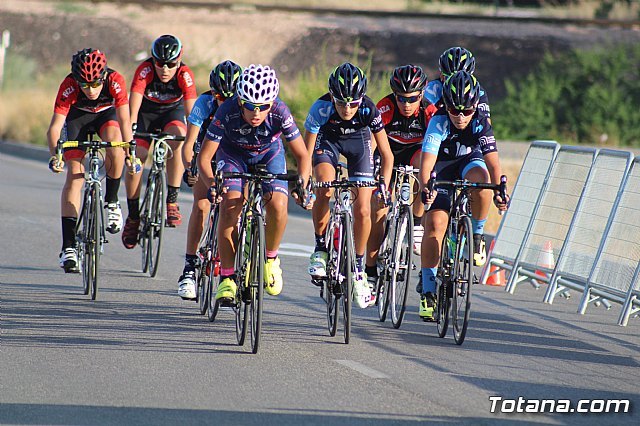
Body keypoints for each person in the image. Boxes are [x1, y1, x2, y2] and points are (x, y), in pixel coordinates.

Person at [197, 64, 311, 301]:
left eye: (263, 107)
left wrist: (302, 185)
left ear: (272, 103)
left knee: (279, 204)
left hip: (269, 153)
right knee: (231, 205)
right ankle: (227, 278)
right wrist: (212, 184)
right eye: (250, 106)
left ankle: (270, 259)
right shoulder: (226, 111)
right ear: (240, 102)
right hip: (232, 154)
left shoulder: (281, 111)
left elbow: (302, 156)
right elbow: (205, 157)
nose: (256, 113)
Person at [419, 71, 508, 320]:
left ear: (474, 107)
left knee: (483, 181)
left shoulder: (480, 122)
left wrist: (501, 189)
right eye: (454, 110)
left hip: (469, 161)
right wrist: (427, 187)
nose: (460, 117)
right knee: (436, 224)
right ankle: (428, 290)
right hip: (442, 165)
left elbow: (494, 165)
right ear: (445, 106)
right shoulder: (438, 122)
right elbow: (426, 166)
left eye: (466, 111)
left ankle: (477, 235)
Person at [305, 62, 393, 309]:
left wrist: (383, 185)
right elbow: (306, 151)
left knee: (363, 209)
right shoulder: (321, 108)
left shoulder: (369, 110)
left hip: (359, 145)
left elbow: (387, 154)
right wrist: (306, 181)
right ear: (332, 97)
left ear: (361, 99)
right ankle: (321, 248)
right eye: (341, 102)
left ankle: (359, 267)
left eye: (353, 103)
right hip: (329, 141)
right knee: (325, 188)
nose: (347, 108)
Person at [47, 48, 135, 272]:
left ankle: (112, 202)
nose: (91, 90)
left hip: (106, 116)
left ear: (103, 76)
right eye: (84, 85)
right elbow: (55, 127)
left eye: (95, 83)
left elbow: (125, 120)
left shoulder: (115, 81)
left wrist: (130, 152)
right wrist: (54, 155)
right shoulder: (68, 86)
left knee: (115, 143)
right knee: (75, 175)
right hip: (77, 118)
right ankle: (68, 247)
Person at [364, 64, 437, 304]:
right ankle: (371, 269)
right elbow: (371, 145)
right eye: (401, 99)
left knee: (420, 168)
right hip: (387, 154)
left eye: (413, 99)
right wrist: (370, 175)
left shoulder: (429, 112)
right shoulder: (383, 108)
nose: (406, 104)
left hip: (416, 153)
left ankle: (416, 222)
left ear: (422, 94)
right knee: (378, 211)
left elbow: (434, 149)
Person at [122, 34, 197, 249]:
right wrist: (132, 128)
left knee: (178, 142)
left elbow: (193, 113)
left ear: (179, 61)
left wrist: (194, 136)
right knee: (137, 159)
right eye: (160, 63)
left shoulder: (185, 74)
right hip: (146, 115)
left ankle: (171, 201)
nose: (165, 69)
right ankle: (134, 216)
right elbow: (133, 106)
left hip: (171, 114)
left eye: (171, 64)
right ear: (153, 61)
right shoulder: (144, 71)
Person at [177, 60, 242, 300]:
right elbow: (189, 144)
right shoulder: (204, 103)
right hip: (207, 152)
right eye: (218, 96)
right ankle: (189, 267)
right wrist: (189, 168)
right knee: (202, 204)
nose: (223, 102)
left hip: (234, 154)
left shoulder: (244, 107)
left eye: (229, 97)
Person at [424, 46, 491, 121]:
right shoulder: (431, 89)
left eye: (463, 78)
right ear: (442, 76)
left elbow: (485, 123)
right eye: (449, 77)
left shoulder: (478, 93)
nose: (455, 83)